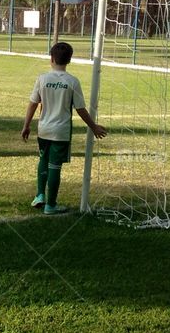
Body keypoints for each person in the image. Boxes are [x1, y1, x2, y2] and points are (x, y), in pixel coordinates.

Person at [21, 42, 107, 215]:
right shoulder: (72, 81)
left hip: (43, 129)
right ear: (69, 60)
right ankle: (50, 205)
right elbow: (80, 109)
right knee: (54, 166)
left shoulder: (42, 78)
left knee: (43, 160)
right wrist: (94, 126)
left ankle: (40, 196)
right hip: (60, 131)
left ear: (51, 59)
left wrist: (26, 125)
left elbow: (32, 104)